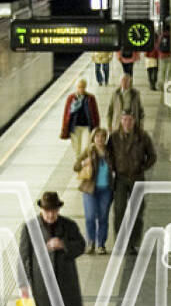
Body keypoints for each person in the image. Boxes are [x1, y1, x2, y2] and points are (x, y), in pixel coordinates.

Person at [19, 191, 87, 306]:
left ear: (58, 210)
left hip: (66, 281)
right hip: (41, 283)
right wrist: (23, 285)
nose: (50, 215)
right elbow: (23, 257)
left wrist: (63, 244)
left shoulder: (69, 226)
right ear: (41, 209)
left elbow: (81, 246)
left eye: (54, 211)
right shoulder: (29, 228)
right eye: (47, 211)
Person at [108, 111, 157, 254]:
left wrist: (142, 167)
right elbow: (108, 153)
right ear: (121, 121)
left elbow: (152, 156)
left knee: (137, 211)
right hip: (121, 178)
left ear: (134, 121)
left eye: (130, 120)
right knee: (119, 210)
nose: (127, 123)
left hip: (137, 178)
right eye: (124, 120)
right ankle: (120, 242)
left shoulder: (142, 137)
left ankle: (133, 243)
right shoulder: (115, 137)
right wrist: (112, 167)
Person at [76, 127, 114, 255]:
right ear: (93, 138)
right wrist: (83, 163)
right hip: (90, 190)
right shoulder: (88, 151)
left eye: (102, 137)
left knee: (103, 217)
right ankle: (91, 242)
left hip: (106, 190)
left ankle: (101, 244)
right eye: (97, 137)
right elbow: (75, 166)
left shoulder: (110, 152)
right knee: (90, 217)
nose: (100, 139)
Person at [60, 79, 100, 159]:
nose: (81, 89)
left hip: (86, 127)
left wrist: (97, 128)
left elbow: (95, 114)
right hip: (74, 128)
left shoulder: (90, 98)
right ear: (76, 87)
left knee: (85, 148)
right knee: (76, 149)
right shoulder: (71, 98)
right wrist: (64, 128)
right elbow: (66, 114)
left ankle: (83, 165)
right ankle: (79, 166)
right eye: (79, 87)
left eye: (83, 87)